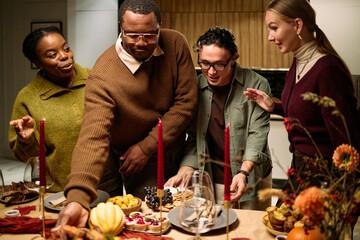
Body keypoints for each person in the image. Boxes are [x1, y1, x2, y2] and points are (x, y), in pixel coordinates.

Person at [52, 0, 197, 231]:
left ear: (160, 27)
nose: (142, 43)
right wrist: (77, 198)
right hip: (125, 156)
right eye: (132, 35)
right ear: (120, 28)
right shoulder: (103, 74)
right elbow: (93, 136)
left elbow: (186, 102)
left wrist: (147, 146)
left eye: (151, 35)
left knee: (170, 221)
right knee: (130, 224)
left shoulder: (175, 43)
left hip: (166, 150)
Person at [244, 0, 360, 193]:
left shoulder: (328, 69)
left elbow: (347, 140)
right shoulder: (298, 62)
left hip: (324, 179)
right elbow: (311, 115)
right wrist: (275, 107)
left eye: (274, 28)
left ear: (297, 25)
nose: (270, 37)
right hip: (300, 171)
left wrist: (345, 196)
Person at [165, 27, 272, 210]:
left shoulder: (256, 84)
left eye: (219, 64)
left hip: (250, 174)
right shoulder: (195, 87)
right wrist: (186, 169)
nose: (211, 71)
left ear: (233, 59)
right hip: (211, 177)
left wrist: (243, 172)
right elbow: (193, 137)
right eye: (205, 63)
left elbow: (257, 134)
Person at [9, 27, 92, 192]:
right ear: (38, 63)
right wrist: (27, 138)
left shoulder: (96, 79)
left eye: (66, 48)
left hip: (107, 186)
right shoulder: (28, 97)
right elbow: (26, 156)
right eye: (52, 55)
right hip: (60, 191)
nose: (64, 56)